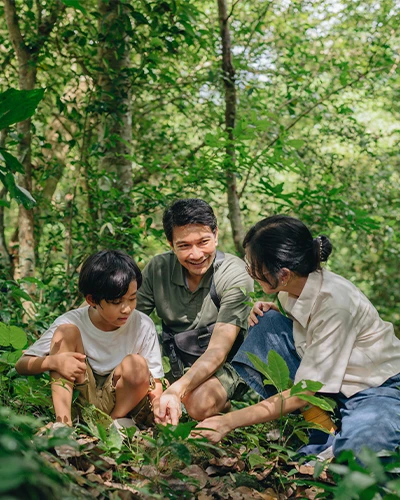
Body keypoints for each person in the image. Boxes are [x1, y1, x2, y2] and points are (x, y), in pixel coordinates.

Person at [197, 215, 400, 459]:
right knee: (266, 323)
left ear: (283, 274)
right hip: (330, 386)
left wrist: (226, 422)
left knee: (359, 454)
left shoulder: (335, 304)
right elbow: (307, 333)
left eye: (254, 267)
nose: (250, 272)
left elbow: (304, 390)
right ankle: (322, 430)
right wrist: (274, 312)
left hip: (374, 388)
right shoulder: (290, 288)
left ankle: (342, 438)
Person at [137, 199, 254, 425]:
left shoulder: (234, 273)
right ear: (170, 244)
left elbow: (218, 351)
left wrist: (177, 390)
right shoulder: (158, 268)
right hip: (175, 361)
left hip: (224, 365)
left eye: (203, 242)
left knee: (198, 403)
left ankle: (222, 404)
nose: (196, 254)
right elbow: (127, 316)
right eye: (184, 246)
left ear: (216, 234)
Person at [15, 250, 164, 427]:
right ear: (92, 300)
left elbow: (155, 381)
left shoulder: (143, 324)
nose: (126, 309)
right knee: (66, 333)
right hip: (82, 397)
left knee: (137, 363)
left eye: (132, 299)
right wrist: (53, 362)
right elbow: (22, 365)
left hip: (123, 402)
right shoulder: (72, 322)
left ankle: (114, 423)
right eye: (117, 302)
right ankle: (63, 424)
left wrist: (159, 407)